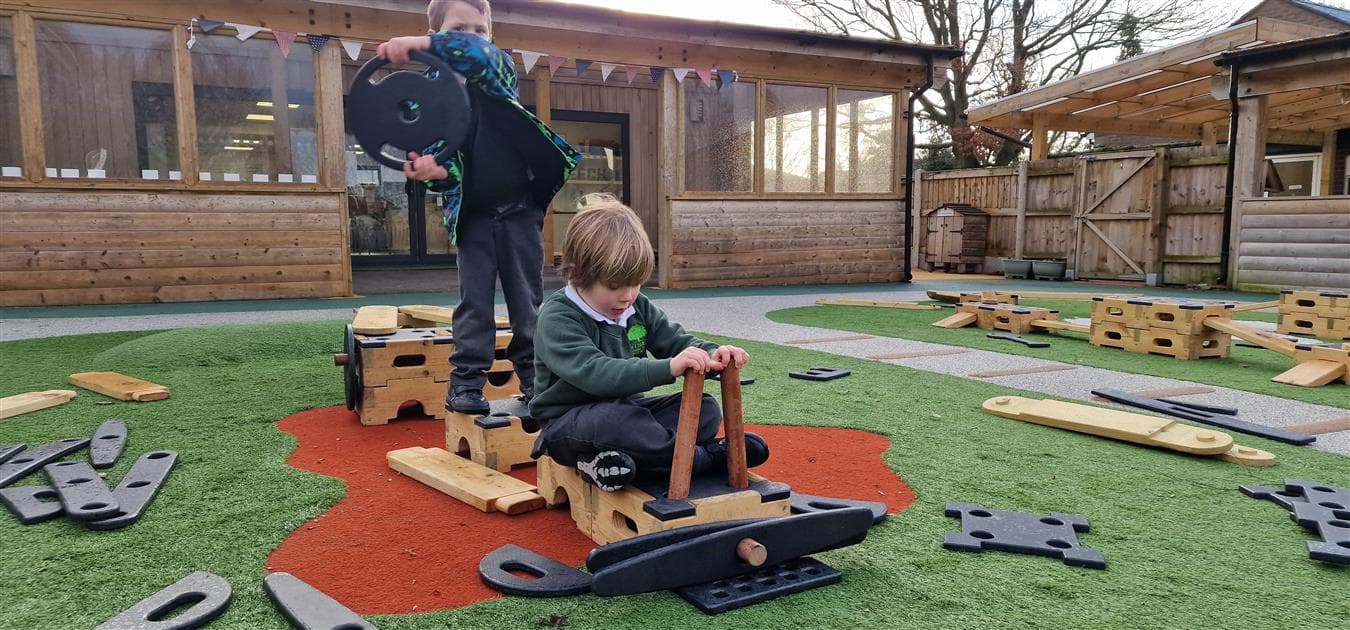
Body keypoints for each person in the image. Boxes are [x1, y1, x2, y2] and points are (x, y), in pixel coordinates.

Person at [377, 0, 581, 414]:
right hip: (474, 218)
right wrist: (434, 170)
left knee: (528, 305)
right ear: (439, 32)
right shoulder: (428, 95)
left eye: (479, 28)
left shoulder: (497, 70)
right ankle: (466, 384)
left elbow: (477, 54)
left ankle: (535, 380)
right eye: (459, 27)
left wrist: (422, 42)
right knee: (475, 305)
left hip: (519, 211)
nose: (472, 36)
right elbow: (444, 159)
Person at [528, 201, 770, 492]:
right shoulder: (558, 316)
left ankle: (624, 460)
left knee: (705, 409)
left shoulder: (635, 307)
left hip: (630, 411)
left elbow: (676, 341)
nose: (628, 296)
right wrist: (668, 368)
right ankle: (705, 458)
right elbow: (596, 374)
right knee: (616, 421)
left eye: (636, 284)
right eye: (615, 286)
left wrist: (712, 353)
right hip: (567, 423)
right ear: (578, 273)